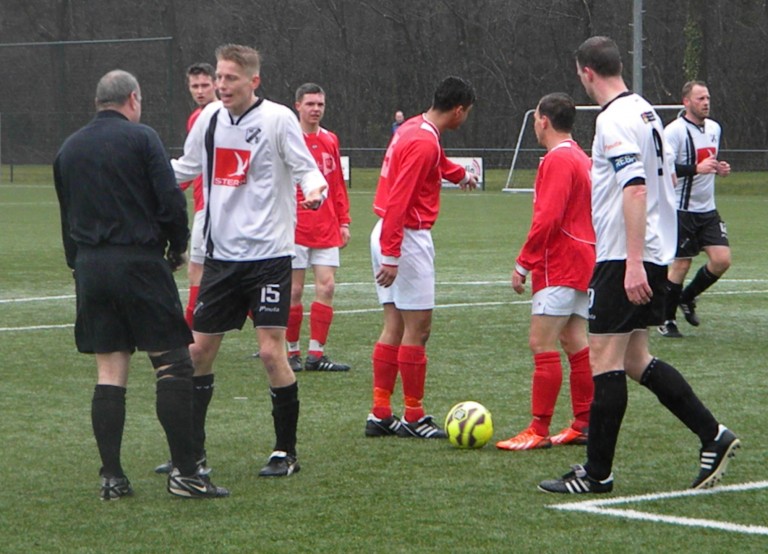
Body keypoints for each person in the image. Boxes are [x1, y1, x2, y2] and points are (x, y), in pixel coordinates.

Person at [539, 36, 740, 494]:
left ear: (585, 72)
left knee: (604, 360)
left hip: (623, 255)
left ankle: (597, 474)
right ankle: (714, 435)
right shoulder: (647, 111)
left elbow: (635, 188)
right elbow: (662, 180)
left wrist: (631, 262)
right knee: (635, 359)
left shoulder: (613, 119)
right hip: (650, 248)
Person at [53, 69, 229, 499]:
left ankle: (112, 477)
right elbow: (170, 199)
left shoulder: (68, 149)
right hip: (138, 261)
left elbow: (66, 217)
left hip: (92, 267)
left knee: (110, 371)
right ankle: (186, 474)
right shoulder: (143, 137)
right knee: (173, 364)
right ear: (133, 99)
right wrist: (177, 246)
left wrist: (79, 264)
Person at [171, 44, 327, 478]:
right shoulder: (207, 120)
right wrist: (137, 178)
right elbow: (184, 170)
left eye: (230, 79)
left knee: (270, 353)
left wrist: (316, 190)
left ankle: (285, 452)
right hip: (221, 260)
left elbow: (306, 169)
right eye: (218, 78)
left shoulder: (278, 119)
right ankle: (192, 452)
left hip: (270, 258)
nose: (221, 86)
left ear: (253, 81)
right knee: (198, 351)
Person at [366, 76, 478, 439]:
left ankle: (381, 413)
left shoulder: (416, 126)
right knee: (419, 329)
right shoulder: (423, 142)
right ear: (458, 110)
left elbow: (434, 162)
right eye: (467, 113)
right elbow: (400, 198)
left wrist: (458, 174)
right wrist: (393, 254)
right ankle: (413, 416)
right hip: (405, 236)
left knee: (394, 325)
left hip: (386, 231)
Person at [495, 93, 595, 451]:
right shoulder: (582, 157)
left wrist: (524, 262)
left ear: (543, 121)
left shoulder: (558, 160)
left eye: (536, 118)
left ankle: (538, 430)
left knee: (542, 342)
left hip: (560, 262)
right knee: (574, 340)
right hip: (584, 259)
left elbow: (548, 217)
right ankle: (584, 422)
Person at [658, 81, 732, 338]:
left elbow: (707, 162)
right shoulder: (674, 132)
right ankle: (666, 320)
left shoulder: (714, 128)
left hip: (707, 209)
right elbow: (665, 169)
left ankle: (687, 298)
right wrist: (695, 169)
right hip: (682, 209)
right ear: (686, 102)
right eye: (700, 98)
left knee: (722, 260)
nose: (706, 102)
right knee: (681, 264)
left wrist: (718, 167)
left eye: (708, 97)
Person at [286, 83, 352, 372]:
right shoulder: (288, 139)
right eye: (310, 104)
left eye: (320, 105)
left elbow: (336, 184)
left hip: (326, 227)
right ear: (297, 105)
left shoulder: (330, 140)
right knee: (294, 292)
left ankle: (316, 354)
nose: (315, 109)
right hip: (294, 227)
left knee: (327, 286)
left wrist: (344, 221)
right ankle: (291, 353)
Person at [180, 62, 218, 328]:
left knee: (198, 272)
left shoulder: (218, 114)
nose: (200, 91)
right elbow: (192, 165)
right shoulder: (196, 117)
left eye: (205, 85)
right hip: (203, 204)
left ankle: (186, 334)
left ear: (216, 84)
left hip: (212, 207)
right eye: (195, 86)